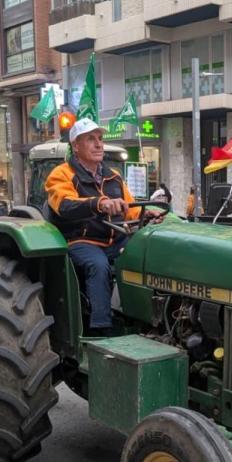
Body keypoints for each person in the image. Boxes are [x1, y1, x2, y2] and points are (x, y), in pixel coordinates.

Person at [45, 118, 162, 334]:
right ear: (76, 146)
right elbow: (64, 205)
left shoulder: (113, 177)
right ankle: (102, 329)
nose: (99, 144)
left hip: (116, 239)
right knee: (98, 266)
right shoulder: (61, 174)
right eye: (91, 139)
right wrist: (100, 203)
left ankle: (145, 323)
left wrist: (148, 215)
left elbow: (131, 208)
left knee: (147, 255)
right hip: (81, 240)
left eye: (99, 139)